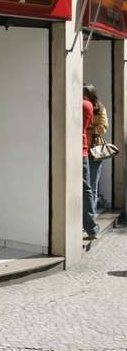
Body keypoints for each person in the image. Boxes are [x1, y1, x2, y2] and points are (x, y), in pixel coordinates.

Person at [84, 84, 108, 215]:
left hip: (94, 151)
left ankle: (90, 216)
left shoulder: (100, 108)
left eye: (85, 95)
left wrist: (88, 129)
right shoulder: (78, 107)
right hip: (80, 150)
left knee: (92, 185)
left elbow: (103, 127)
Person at [82, 90, 100, 239]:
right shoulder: (87, 105)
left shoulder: (86, 105)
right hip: (82, 151)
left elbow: (102, 126)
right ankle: (90, 226)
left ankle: (91, 227)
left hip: (86, 151)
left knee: (88, 188)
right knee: (87, 188)